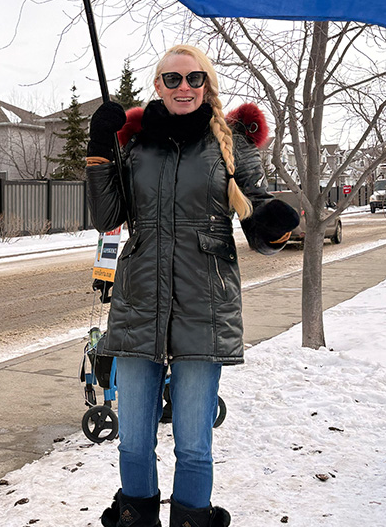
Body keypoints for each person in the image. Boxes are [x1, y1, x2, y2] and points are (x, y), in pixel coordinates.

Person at [85, 45, 300, 527]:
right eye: (174, 79)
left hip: (205, 305)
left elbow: (257, 220)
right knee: (135, 439)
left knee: (194, 442)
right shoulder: (134, 144)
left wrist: (273, 225)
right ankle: (135, 518)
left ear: (208, 85)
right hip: (139, 300)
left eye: (195, 78)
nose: (185, 87)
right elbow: (107, 218)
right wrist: (100, 151)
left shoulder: (231, 146)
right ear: (157, 85)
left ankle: (190, 519)